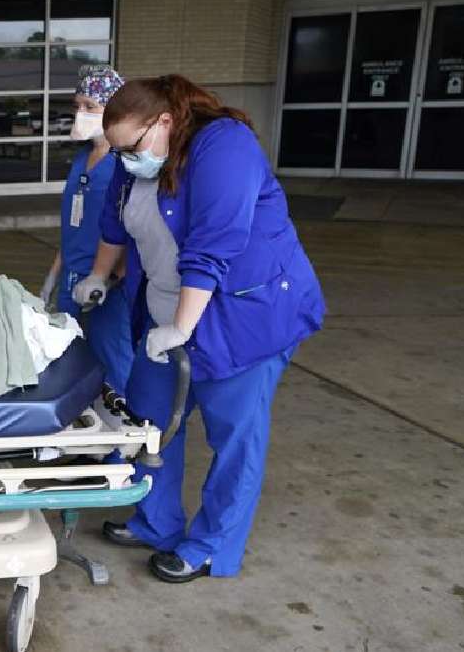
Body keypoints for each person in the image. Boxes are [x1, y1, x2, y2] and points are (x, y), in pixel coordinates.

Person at [72, 74, 325, 583]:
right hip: (165, 311)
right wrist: (100, 276)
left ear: (164, 121)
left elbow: (215, 243)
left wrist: (183, 325)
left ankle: (211, 544)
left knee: (234, 436)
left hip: (242, 320)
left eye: (132, 147)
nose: (126, 160)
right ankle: (155, 522)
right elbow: (113, 225)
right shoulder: (135, 157)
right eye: (118, 150)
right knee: (149, 423)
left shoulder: (224, 146)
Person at [40, 66, 134, 393]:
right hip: (71, 278)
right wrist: (53, 277)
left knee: (112, 367)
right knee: (68, 363)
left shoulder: (125, 165)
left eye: (90, 107)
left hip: (106, 287)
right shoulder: (82, 160)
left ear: (114, 110)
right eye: (77, 105)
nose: (80, 113)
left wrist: (107, 279)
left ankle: (119, 444)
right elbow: (72, 225)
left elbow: (129, 231)